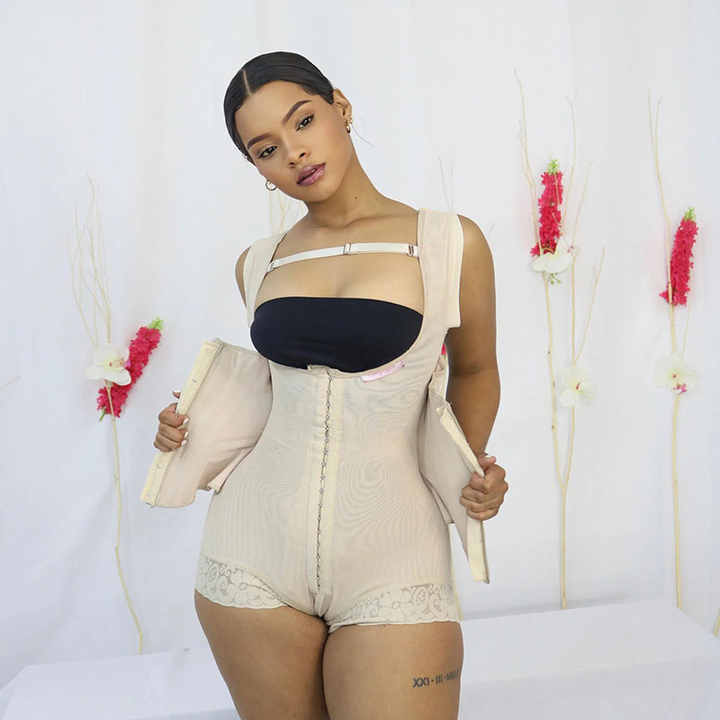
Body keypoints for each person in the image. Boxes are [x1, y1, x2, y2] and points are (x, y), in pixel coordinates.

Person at [153, 51, 506, 720]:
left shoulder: (449, 242)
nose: (294, 153)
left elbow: (476, 370)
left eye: (303, 121)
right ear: (257, 167)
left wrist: (468, 467)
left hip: (394, 554)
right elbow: (273, 395)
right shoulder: (258, 263)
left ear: (340, 107)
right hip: (249, 556)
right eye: (266, 149)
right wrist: (186, 428)